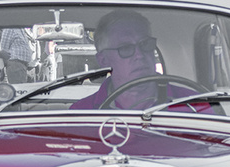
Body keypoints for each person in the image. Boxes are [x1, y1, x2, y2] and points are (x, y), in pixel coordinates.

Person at [68, 10, 205, 112]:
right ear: (103, 60)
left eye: (145, 44)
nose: (140, 55)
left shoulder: (192, 104)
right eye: (126, 48)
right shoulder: (81, 113)